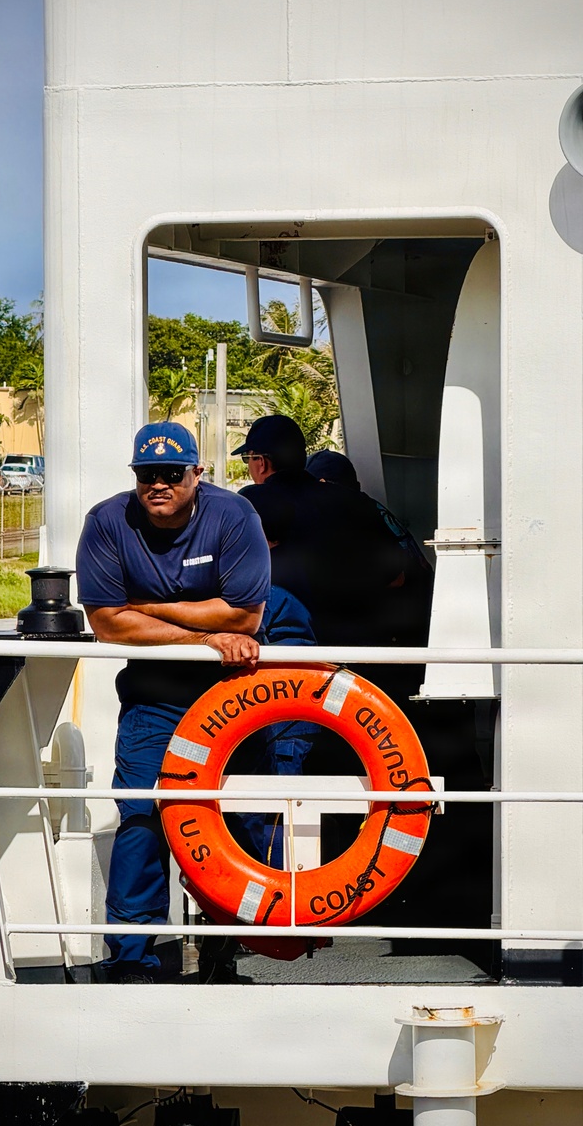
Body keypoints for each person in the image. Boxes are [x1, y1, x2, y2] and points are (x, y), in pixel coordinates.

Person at [76, 422, 270, 983]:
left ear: (196, 474)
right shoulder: (108, 521)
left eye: (171, 473)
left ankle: (227, 944)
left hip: (234, 694)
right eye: (146, 475)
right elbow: (108, 624)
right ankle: (131, 955)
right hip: (153, 699)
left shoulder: (233, 516)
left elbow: (244, 616)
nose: (158, 484)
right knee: (140, 815)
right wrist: (204, 636)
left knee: (237, 817)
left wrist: (146, 606)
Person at [233, 415, 406, 646]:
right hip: (363, 648)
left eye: (248, 458)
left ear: (261, 462)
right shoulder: (356, 501)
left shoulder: (252, 504)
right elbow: (397, 578)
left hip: (293, 650)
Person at [305, 447, 433, 648]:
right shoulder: (371, 508)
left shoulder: (349, 515)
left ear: (322, 486)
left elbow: (395, 578)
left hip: (399, 632)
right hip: (420, 621)